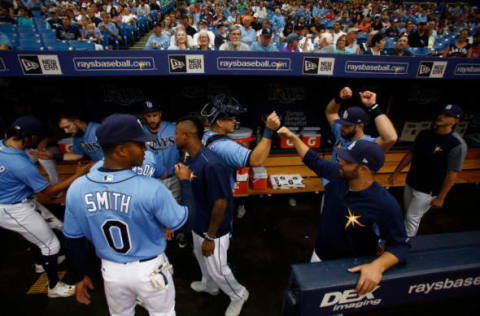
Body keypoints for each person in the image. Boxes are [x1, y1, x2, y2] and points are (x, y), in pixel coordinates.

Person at [63, 114, 192, 315]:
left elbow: (74, 239)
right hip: (150, 270)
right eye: (140, 144)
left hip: (112, 272)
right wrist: (185, 183)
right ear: (121, 150)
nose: (145, 148)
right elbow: (182, 223)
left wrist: (80, 275)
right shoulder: (151, 188)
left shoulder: (77, 188)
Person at [276, 130, 409, 296]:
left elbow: (400, 246)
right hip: (319, 255)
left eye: (348, 160)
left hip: (347, 269)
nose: (341, 162)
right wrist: (293, 137)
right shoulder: (338, 175)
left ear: (363, 169)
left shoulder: (384, 204)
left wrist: (377, 266)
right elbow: (313, 159)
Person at [0, 117, 91, 298]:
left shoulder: (3, 146)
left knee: (43, 230)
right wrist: (77, 175)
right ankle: (54, 287)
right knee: (51, 245)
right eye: (37, 138)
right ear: (30, 137)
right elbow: (47, 192)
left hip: (15, 201)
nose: (38, 142)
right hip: (12, 208)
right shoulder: (20, 164)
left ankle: (41, 263)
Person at [175, 116, 249, 316]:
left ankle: (239, 294)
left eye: (177, 134)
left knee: (218, 268)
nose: (174, 138)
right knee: (200, 257)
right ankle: (210, 286)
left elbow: (221, 202)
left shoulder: (212, 164)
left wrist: (210, 236)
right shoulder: (190, 156)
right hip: (199, 222)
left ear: (187, 135)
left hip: (213, 229)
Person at [389, 105, 467, 237]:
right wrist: (396, 172)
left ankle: (405, 245)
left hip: (428, 190)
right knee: (408, 213)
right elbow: (411, 154)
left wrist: (441, 197)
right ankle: (402, 238)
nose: (441, 117)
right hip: (412, 181)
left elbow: (452, 173)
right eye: (442, 113)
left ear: (456, 121)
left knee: (412, 217)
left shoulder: (456, 144)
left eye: (447, 115)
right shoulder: (425, 134)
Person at [200, 94, 280, 218]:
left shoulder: (206, 135)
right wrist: (269, 130)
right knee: (218, 235)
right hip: (218, 205)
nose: (235, 121)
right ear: (219, 122)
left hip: (207, 198)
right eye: (231, 118)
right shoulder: (223, 146)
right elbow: (256, 160)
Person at [30, 114, 104, 162]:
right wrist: (52, 156)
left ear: (77, 121)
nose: (66, 131)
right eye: (63, 129)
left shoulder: (98, 130)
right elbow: (77, 155)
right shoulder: (77, 137)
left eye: (67, 127)